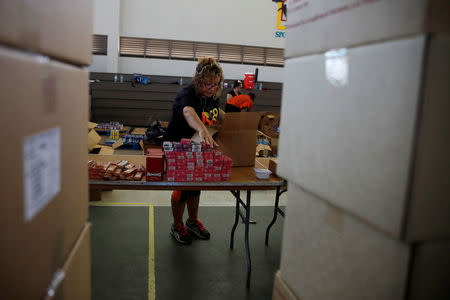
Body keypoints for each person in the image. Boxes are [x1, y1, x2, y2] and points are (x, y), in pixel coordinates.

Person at [163, 56, 225, 245]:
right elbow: (189, 112)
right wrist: (202, 129)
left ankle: (192, 221)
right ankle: (177, 224)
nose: (211, 88)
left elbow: (216, 112)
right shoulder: (187, 94)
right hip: (177, 146)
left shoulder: (212, 96)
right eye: (207, 84)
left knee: (195, 186)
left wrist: (232, 122)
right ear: (198, 81)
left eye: (215, 85)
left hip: (197, 145)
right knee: (182, 187)